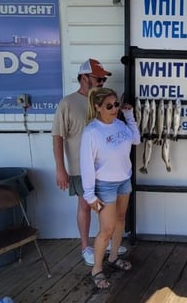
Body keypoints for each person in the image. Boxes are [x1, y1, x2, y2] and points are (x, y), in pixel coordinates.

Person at [52, 58, 126, 266]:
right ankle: (85, 247)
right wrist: (60, 168)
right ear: (84, 78)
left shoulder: (106, 101)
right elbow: (58, 136)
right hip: (79, 167)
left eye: (103, 79)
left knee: (108, 207)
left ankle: (108, 242)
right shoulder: (67, 102)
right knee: (85, 205)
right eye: (98, 78)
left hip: (105, 170)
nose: (102, 81)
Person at [79, 87, 141, 289]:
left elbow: (136, 139)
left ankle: (113, 257)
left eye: (116, 105)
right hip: (104, 185)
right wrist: (89, 196)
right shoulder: (92, 132)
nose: (114, 109)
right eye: (109, 106)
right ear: (97, 107)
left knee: (121, 220)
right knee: (106, 229)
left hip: (124, 180)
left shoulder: (120, 124)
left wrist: (130, 115)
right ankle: (96, 268)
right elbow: (86, 165)